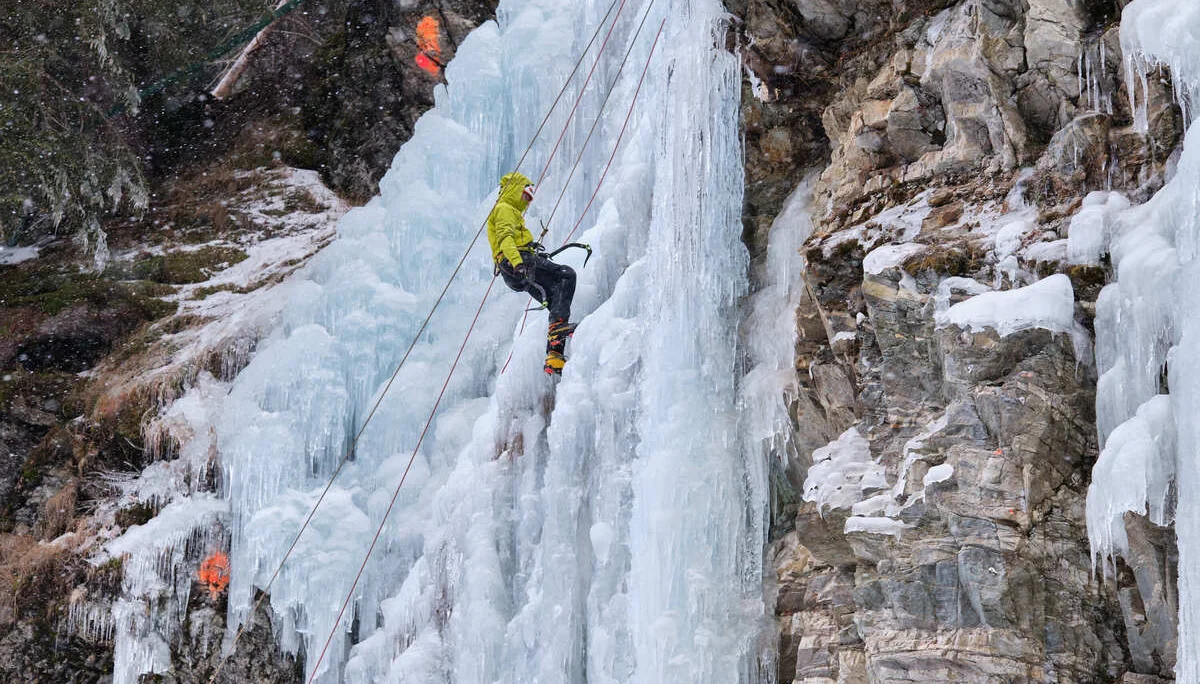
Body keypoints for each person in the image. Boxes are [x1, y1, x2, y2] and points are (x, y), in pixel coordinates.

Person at [487, 172, 577, 374]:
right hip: (515, 262)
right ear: (515, 190)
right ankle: (556, 333)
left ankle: (554, 357)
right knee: (566, 275)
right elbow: (505, 239)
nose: (526, 201)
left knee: (556, 297)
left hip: (513, 269)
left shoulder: (511, 211)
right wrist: (518, 262)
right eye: (525, 195)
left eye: (529, 198)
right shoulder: (504, 208)